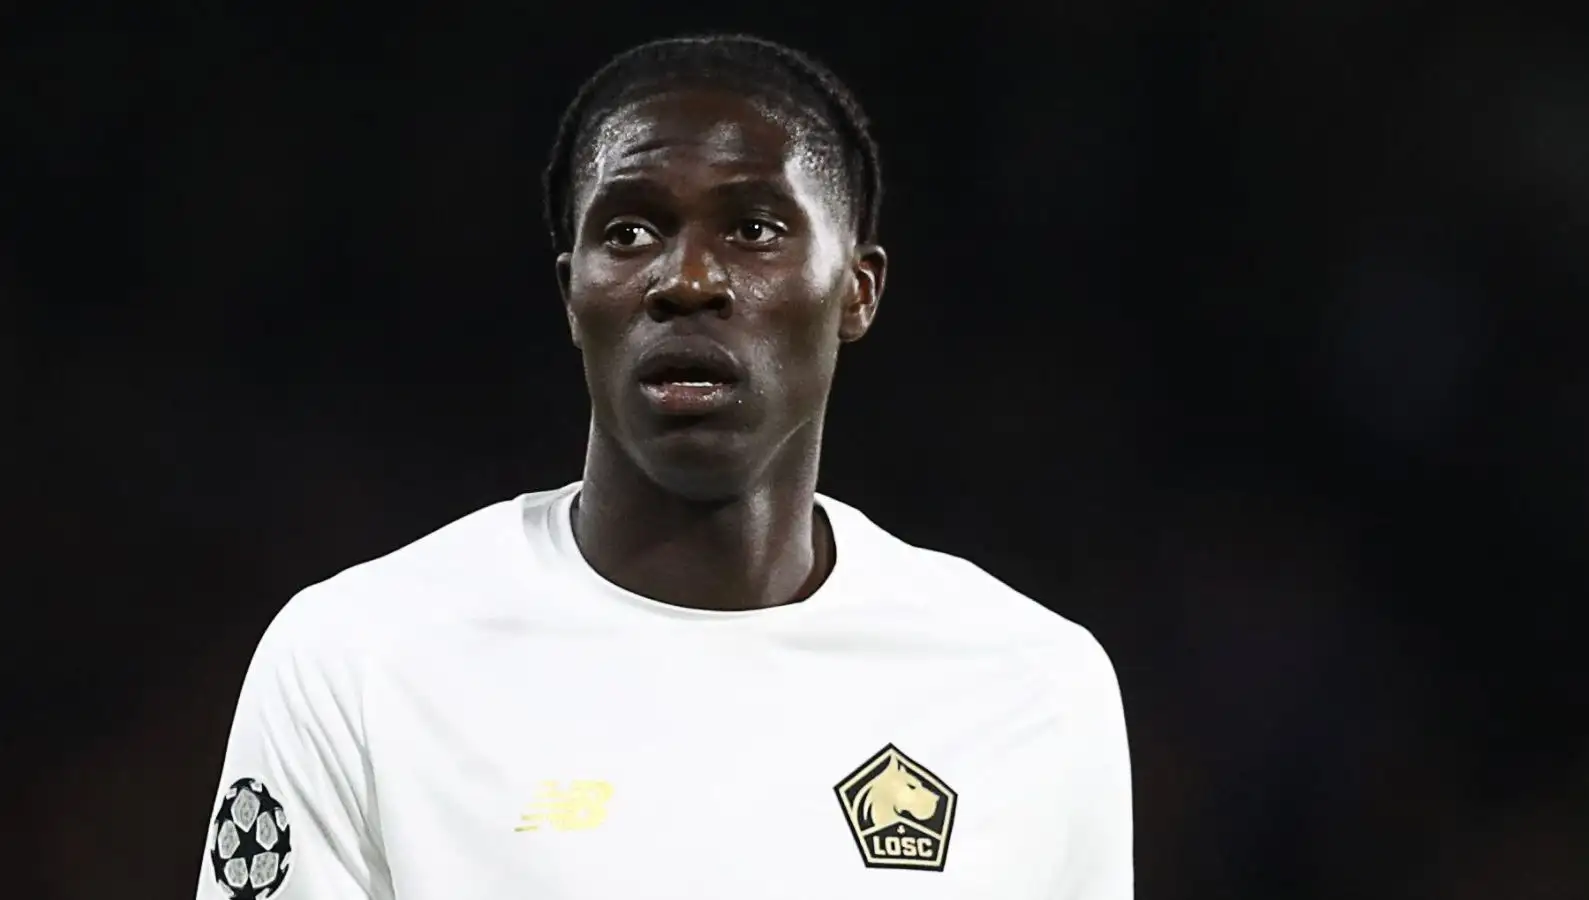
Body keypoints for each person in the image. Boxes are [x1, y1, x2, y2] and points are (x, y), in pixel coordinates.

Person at [196, 33, 1133, 900]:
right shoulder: (358, 658)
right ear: (572, 293)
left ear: (857, 288)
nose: (686, 280)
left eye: (755, 229)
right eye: (630, 232)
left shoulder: (1030, 686)